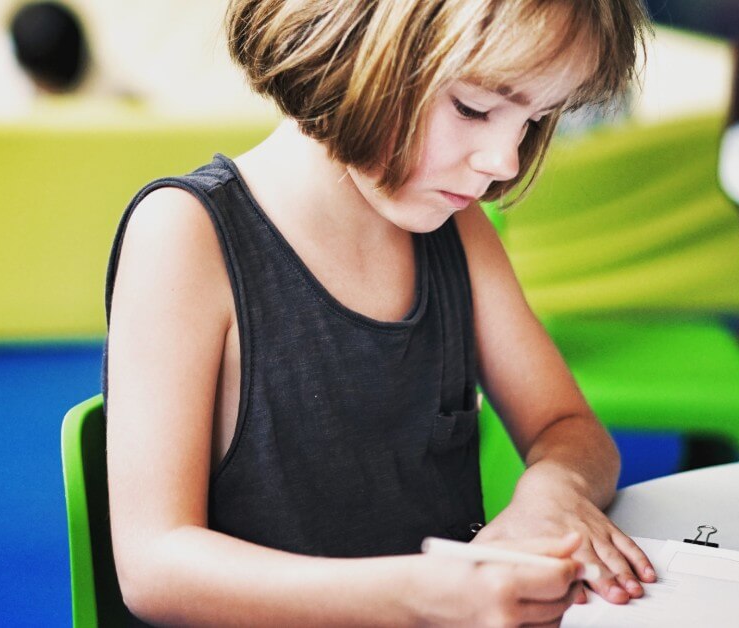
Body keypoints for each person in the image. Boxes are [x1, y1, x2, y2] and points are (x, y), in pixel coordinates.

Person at [103, 0, 653, 624]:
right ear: (351, 50)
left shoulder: (457, 230)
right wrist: (421, 596)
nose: (506, 162)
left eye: (534, 119)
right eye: (473, 108)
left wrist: (555, 492)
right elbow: (153, 566)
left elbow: (569, 426)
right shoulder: (185, 234)